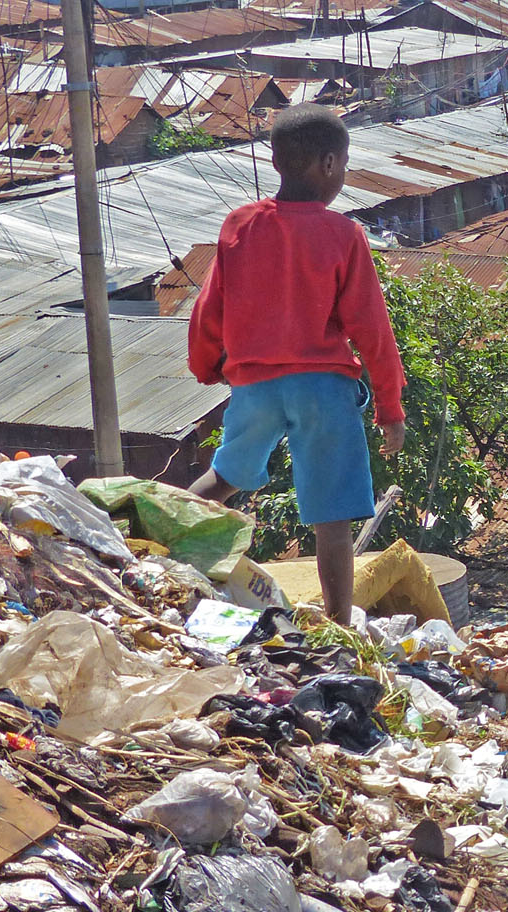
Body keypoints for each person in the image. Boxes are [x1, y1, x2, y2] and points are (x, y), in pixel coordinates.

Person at [186, 103, 404, 625]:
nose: (344, 173)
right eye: (345, 163)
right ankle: (338, 622)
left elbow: (210, 306)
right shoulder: (343, 236)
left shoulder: (240, 224)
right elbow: (371, 328)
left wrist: (208, 367)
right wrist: (390, 408)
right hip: (323, 388)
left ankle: (159, 548)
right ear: (327, 164)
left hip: (256, 384)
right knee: (332, 512)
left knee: (223, 478)